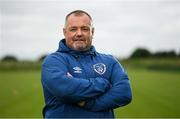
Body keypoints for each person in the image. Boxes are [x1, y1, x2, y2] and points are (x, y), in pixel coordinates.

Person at [41, 10, 132, 118]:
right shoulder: (53, 61)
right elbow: (65, 90)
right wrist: (104, 83)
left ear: (92, 32)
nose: (79, 33)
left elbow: (124, 93)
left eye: (84, 29)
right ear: (65, 32)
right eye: (73, 29)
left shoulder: (110, 61)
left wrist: (88, 103)